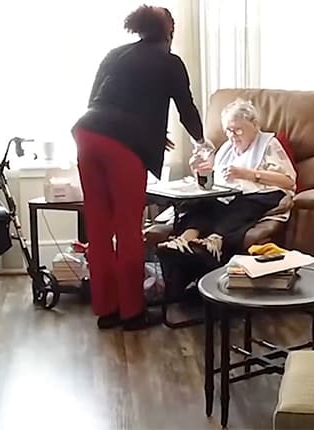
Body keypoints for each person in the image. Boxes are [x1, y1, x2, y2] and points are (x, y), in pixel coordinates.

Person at [72, 5, 210, 330]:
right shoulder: (170, 61)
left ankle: (107, 311)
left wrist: (144, 133)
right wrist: (202, 141)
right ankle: (132, 313)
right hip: (122, 147)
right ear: (168, 31)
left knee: (99, 228)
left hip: (87, 134)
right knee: (129, 229)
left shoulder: (114, 54)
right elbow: (186, 108)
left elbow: (97, 101)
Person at [157, 99, 297, 282]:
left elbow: (289, 181)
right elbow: (213, 181)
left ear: (254, 125)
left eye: (238, 130)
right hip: (228, 195)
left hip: (263, 194)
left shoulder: (269, 144)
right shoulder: (226, 148)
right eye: (228, 131)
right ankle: (184, 240)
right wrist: (198, 170)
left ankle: (213, 242)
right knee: (201, 202)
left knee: (240, 203)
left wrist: (249, 174)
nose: (233, 136)